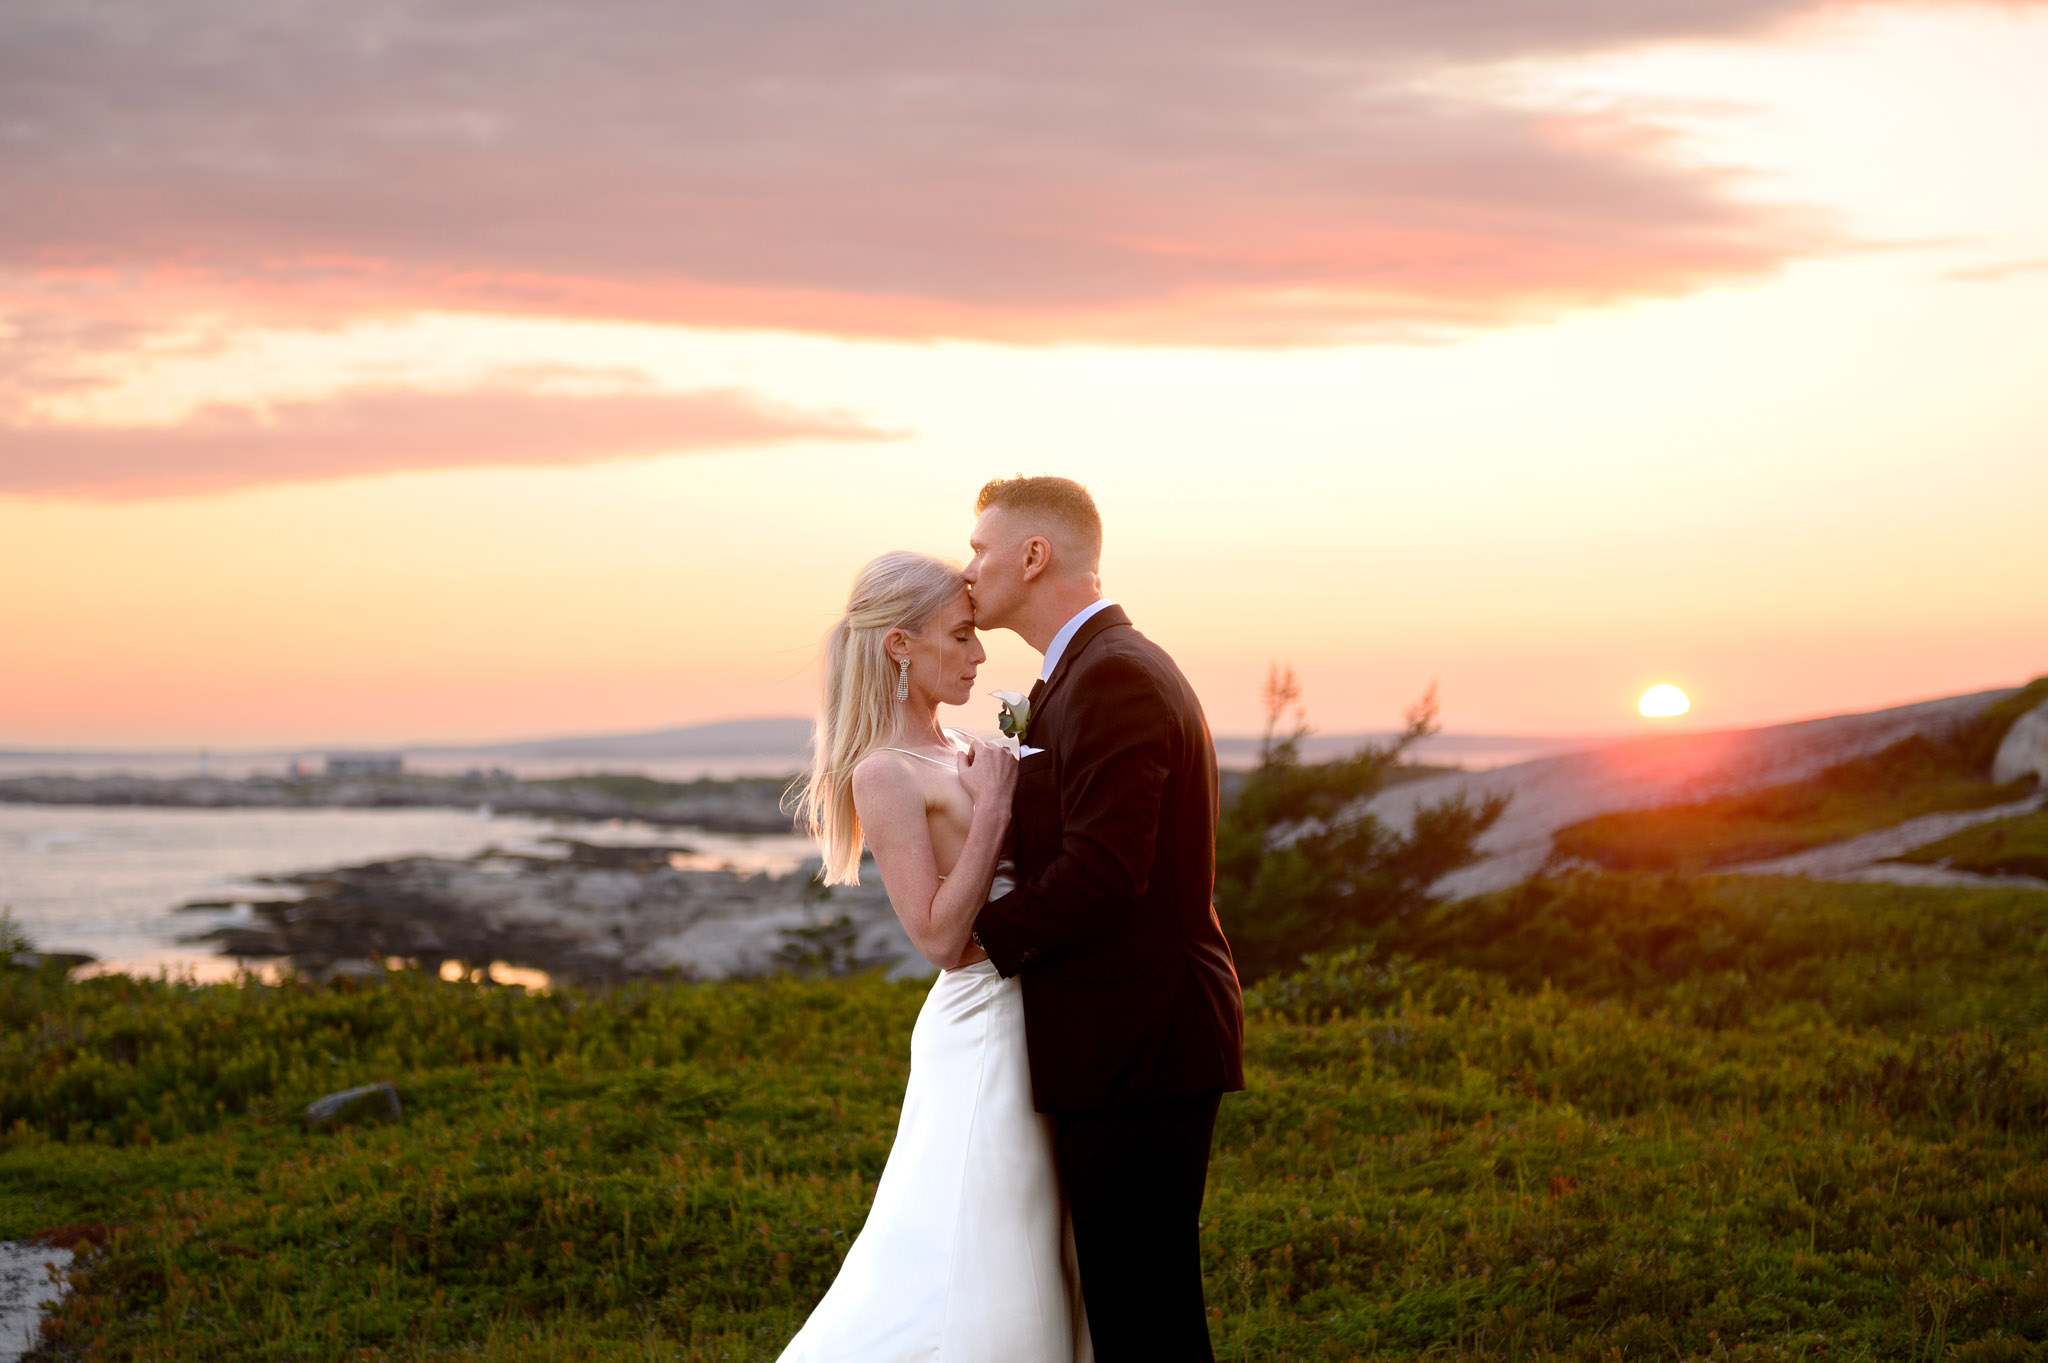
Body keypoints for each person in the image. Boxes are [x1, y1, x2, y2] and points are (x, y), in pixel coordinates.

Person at [779, 550, 1092, 1363]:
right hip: (982, 1027)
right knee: (985, 1237)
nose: (981, 655)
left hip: (1037, 1014)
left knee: (1036, 1229)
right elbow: (938, 938)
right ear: (900, 646)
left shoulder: (959, 742)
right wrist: (992, 807)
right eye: (960, 636)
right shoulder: (881, 772)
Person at [964, 476, 1245, 1362]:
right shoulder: (1087, 670)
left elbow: (1106, 869)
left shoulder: (1115, 673)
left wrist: (975, 945)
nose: (968, 568)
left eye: (980, 548)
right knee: (1128, 1302)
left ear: (1034, 554)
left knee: (1145, 1311)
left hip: (1141, 1036)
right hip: (1122, 1037)